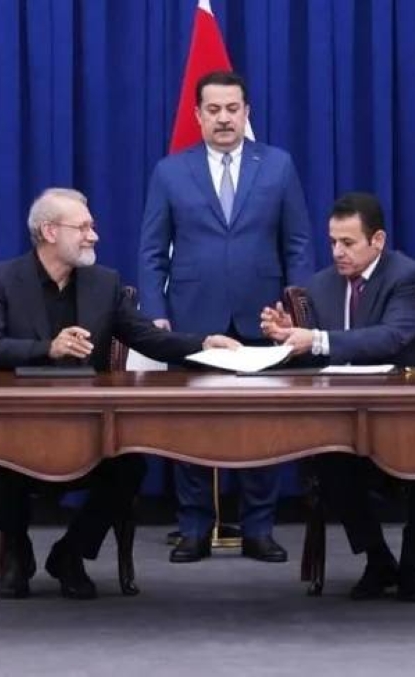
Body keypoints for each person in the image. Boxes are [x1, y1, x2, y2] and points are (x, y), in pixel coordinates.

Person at [0, 187, 240, 599]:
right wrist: (48, 348)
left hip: (87, 424)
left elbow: (148, 337)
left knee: (130, 467)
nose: (93, 236)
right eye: (82, 228)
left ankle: (72, 552)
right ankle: (15, 551)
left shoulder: (104, 283)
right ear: (49, 231)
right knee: (0, 459)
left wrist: (202, 344)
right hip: (22, 421)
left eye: (92, 227)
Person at [139, 70, 314, 564]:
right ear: (197, 115)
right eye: (213, 109)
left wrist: (298, 310)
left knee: (262, 426)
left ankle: (259, 529)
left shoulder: (277, 165)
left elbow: (298, 244)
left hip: (265, 317)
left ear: (246, 112)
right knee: (191, 427)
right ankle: (194, 528)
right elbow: (152, 250)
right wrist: (156, 314)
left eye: (232, 109)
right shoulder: (171, 171)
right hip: (192, 318)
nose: (223, 118)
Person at [260, 192, 415, 602]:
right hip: (346, 417)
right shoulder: (320, 285)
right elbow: (313, 356)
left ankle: (413, 564)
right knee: (328, 459)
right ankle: (377, 559)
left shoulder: (409, 278)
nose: (337, 252)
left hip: (408, 414)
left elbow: (391, 337)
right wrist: (286, 335)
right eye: (332, 242)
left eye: (348, 243)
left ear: (377, 240)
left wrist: (315, 338)